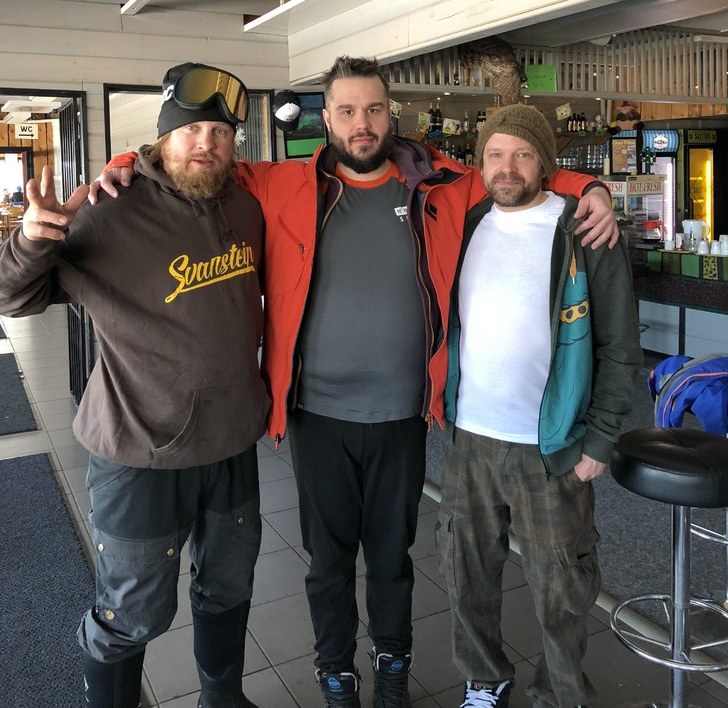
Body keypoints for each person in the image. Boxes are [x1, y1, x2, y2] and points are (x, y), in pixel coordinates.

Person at [93, 56, 618, 708]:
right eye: (346, 110)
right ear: (327, 119)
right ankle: (335, 671)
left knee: (393, 558)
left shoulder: (438, 185)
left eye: (373, 109)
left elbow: (512, 171)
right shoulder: (281, 182)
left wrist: (591, 185)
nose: (361, 123)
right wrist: (128, 163)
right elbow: (192, 164)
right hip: (317, 414)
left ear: (389, 113)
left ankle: (392, 664)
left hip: (401, 412)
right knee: (329, 562)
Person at [0, 63, 270, 708]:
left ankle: (222, 701)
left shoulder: (246, 203)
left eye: (220, 131)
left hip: (232, 443)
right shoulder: (108, 211)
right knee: (133, 614)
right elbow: (13, 297)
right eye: (191, 130)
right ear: (163, 135)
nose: (206, 143)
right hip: (139, 452)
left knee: (228, 588)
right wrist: (31, 239)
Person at [434, 104, 642, 708]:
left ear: (544, 162)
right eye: (495, 154)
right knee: (466, 574)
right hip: (469, 439)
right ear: (480, 163)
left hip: (551, 446)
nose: (507, 167)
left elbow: (620, 345)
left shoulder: (582, 231)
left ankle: (561, 694)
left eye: (522, 154)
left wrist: (599, 441)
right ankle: (484, 679)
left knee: (563, 589)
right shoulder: (465, 226)